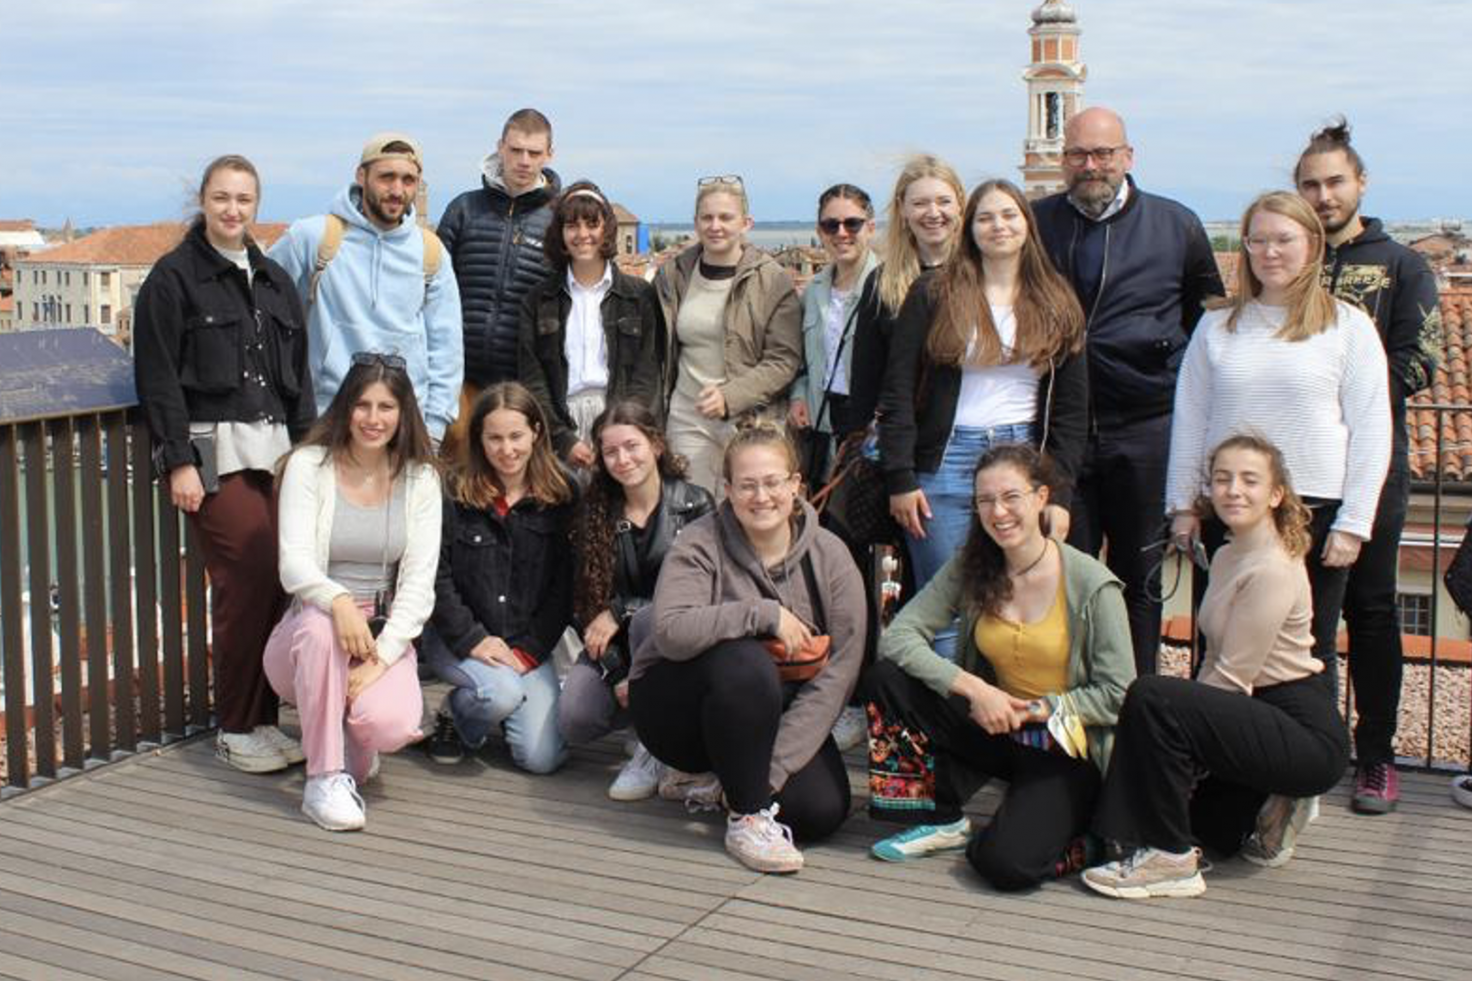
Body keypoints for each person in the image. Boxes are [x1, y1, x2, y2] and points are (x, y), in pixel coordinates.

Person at [1084, 436, 1351, 899]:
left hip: (1300, 727)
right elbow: (1213, 664)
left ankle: (1169, 861)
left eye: (1250, 481)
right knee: (1213, 834)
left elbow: (1230, 679)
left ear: (1276, 494)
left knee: (1151, 695)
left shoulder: (1271, 567)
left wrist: (1178, 750)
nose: (1233, 490)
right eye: (1222, 479)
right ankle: (1272, 800)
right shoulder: (1228, 554)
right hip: (1259, 712)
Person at [865, 444, 1133, 890]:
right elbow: (899, 637)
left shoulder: (1090, 583)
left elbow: (1117, 694)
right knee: (886, 679)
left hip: (1065, 745)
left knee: (1005, 865)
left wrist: (1036, 710)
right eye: (985, 500)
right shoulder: (974, 565)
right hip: (998, 724)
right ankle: (940, 816)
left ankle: (1091, 842)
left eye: (1011, 497)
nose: (998, 512)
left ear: (1041, 497)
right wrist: (976, 689)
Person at [1166, 191, 1392, 699]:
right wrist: (1183, 506)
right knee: (1217, 641)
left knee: (1307, 652)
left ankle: (1303, 765)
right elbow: (1192, 418)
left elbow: (1372, 427)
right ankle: (1216, 761)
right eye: (1258, 240)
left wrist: (1355, 522)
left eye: (1283, 240)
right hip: (1230, 509)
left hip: (1314, 513)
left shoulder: (1348, 327)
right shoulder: (1217, 324)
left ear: (1312, 245)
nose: (1270, 252)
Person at [133, 154, 315, 773]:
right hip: (215, 456)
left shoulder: (273, 281)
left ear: (256, 205)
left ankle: (264, 719)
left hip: (279, 454)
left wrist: (313, 457)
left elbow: (301, 383)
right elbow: (157, 379)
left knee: (281, 580)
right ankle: (235, 726)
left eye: (243, 199)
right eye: (221, 198)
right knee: (246, 580)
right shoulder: (172, 278)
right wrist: (178, 463)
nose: (232, 209)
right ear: (203, 201)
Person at [1032, 107, 1225, 677]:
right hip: (1062, 433)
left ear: (1128, 157)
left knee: (1141, 581)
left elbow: (1207, 322)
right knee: (1069, 578)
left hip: (1145, 428)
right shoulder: (1036, 223)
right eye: (1078, 155)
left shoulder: (1177, 225)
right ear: (1062, 159)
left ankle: (1139, 705)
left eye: (1103, 154)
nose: (1090, 166)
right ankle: (1077, 712)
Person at [629, 419, 867, 873]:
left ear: (796, 484)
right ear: (728, 489)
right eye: (748, 485)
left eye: (773, 483)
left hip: (775, 713)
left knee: (819, 810)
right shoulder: (700, 542)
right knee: (746, 659)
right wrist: (764, 614)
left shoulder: (832, 556)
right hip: (678, 706)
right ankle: (746, 817)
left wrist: (770, 772)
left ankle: (718, 785)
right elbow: (671, 631)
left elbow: (840, 671)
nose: (762, 497)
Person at [1295, 118, 1442, 815]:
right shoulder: (1290, 260)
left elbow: (1420, 362)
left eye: (1333, 182)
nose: (1323, 196)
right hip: (1299, 472)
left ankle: (1376, 754)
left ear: (1360, 184)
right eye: (1310, 185)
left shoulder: (1404, 265)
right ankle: (1315, 746)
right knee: (1308, 618)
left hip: (1375, 467)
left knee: (1374, 612)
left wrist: (1339, 385)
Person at [879, 179, 1088, 659]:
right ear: (969, 229)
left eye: (1009, 215)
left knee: (1019, 602)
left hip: (1024, 462)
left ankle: (1006, 721)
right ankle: (953, 725)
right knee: (948, 608)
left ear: (1027, 225)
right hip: (946, 461)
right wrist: (901, 477)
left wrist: (1058, 491)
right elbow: (897, 389)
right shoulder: (934, 292)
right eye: (986, 217)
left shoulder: (1056, 298)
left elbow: (1073, 410)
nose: (999, 226)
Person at [264, 354, 441, 831]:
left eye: (386, 406)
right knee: (322, 631)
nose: (373, 418)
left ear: (404, 414)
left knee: (390, 725)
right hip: (310, 628)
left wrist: (381, 658)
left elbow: (419, 586)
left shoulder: (421, 479)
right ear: (345, 407)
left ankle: (345, 739)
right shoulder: (309, 465)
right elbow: (294, 563)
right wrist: (338, 601)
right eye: (362, 405)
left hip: (378, 634)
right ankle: (322, 779)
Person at [558, 401, 714, 799]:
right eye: (610, 451)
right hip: (617, 651)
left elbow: (700, 599)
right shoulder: (593, 511)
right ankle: (641, 721)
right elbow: (584, 606)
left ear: (656, 445)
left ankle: (654, 748)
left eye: (632, 446)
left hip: (676, 648)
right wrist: (616, 673)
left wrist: (623, 610)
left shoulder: (696, 505)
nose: (622, 459)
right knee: (576, 717)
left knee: (652, 620)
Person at [422, 382, 577, 775]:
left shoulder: (562, 494)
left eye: (516, 436)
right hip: (458, 638)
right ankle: (458, 717)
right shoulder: (453, 491)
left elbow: (563, 589)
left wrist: (527, 651)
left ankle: (505, 705)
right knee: (500, 693)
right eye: (494, 438)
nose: (506, 449)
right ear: (479, 439)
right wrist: (473, 639)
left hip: (526, 643)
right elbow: (435, 577)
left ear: (536, 433)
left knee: (542, 759)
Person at [269, 133, 463, 444]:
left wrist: (433, 432)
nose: (397, 190)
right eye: (387, 177)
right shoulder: (312, 238)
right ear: (362, 176)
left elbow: (446, 350)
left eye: (408, 180)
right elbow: (260, 307)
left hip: (403, 430)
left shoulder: (432, 253)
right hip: (323, 422)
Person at [653, 177, 802, 497]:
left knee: (748, 514)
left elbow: (783, 360)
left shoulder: (772, 279)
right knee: (691, 513)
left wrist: (730, 396)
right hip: (686, 418)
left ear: (746, 223)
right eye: (707, 218)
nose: (715, 226)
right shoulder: (674, 273)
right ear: (695, 223)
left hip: (751, 421)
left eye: (725, 217)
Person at [438, 108, 562, 460]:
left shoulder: (558, 218)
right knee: (455, 476)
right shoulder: (464, 209)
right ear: (500, 147)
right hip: (461, 375)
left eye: (534, 153)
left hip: (523, 379)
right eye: (515, 150)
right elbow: (432, 287)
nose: (524, 161)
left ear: (549, 155)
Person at [519, 181, 664, 469]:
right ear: (560, 233)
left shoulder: (639, 296)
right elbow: (533, 378)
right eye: (572, 225)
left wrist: (621, 431)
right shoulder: (538, 300)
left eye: (592, 224)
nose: (582, 234)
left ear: (606, 230)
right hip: (559, 426)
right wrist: (563, 439)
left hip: (621, 421)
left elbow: (648, 373)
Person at [847, 155, 965, 430]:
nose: (933, 213)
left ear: (960, 204)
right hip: (906, 435)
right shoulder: (882, 283)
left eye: (943, 201)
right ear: (902, 210)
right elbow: (866, 377)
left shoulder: (983, 277)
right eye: (920, 203)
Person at [788, 183, 881, 474]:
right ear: (820, 232)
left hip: (868, 429)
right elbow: (803, 360)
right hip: (821, 424)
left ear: (870, 228)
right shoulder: (813, 292)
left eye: (852, 224)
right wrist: (798, 395)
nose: (841, 233)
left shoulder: (889, 288)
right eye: (831, 225)